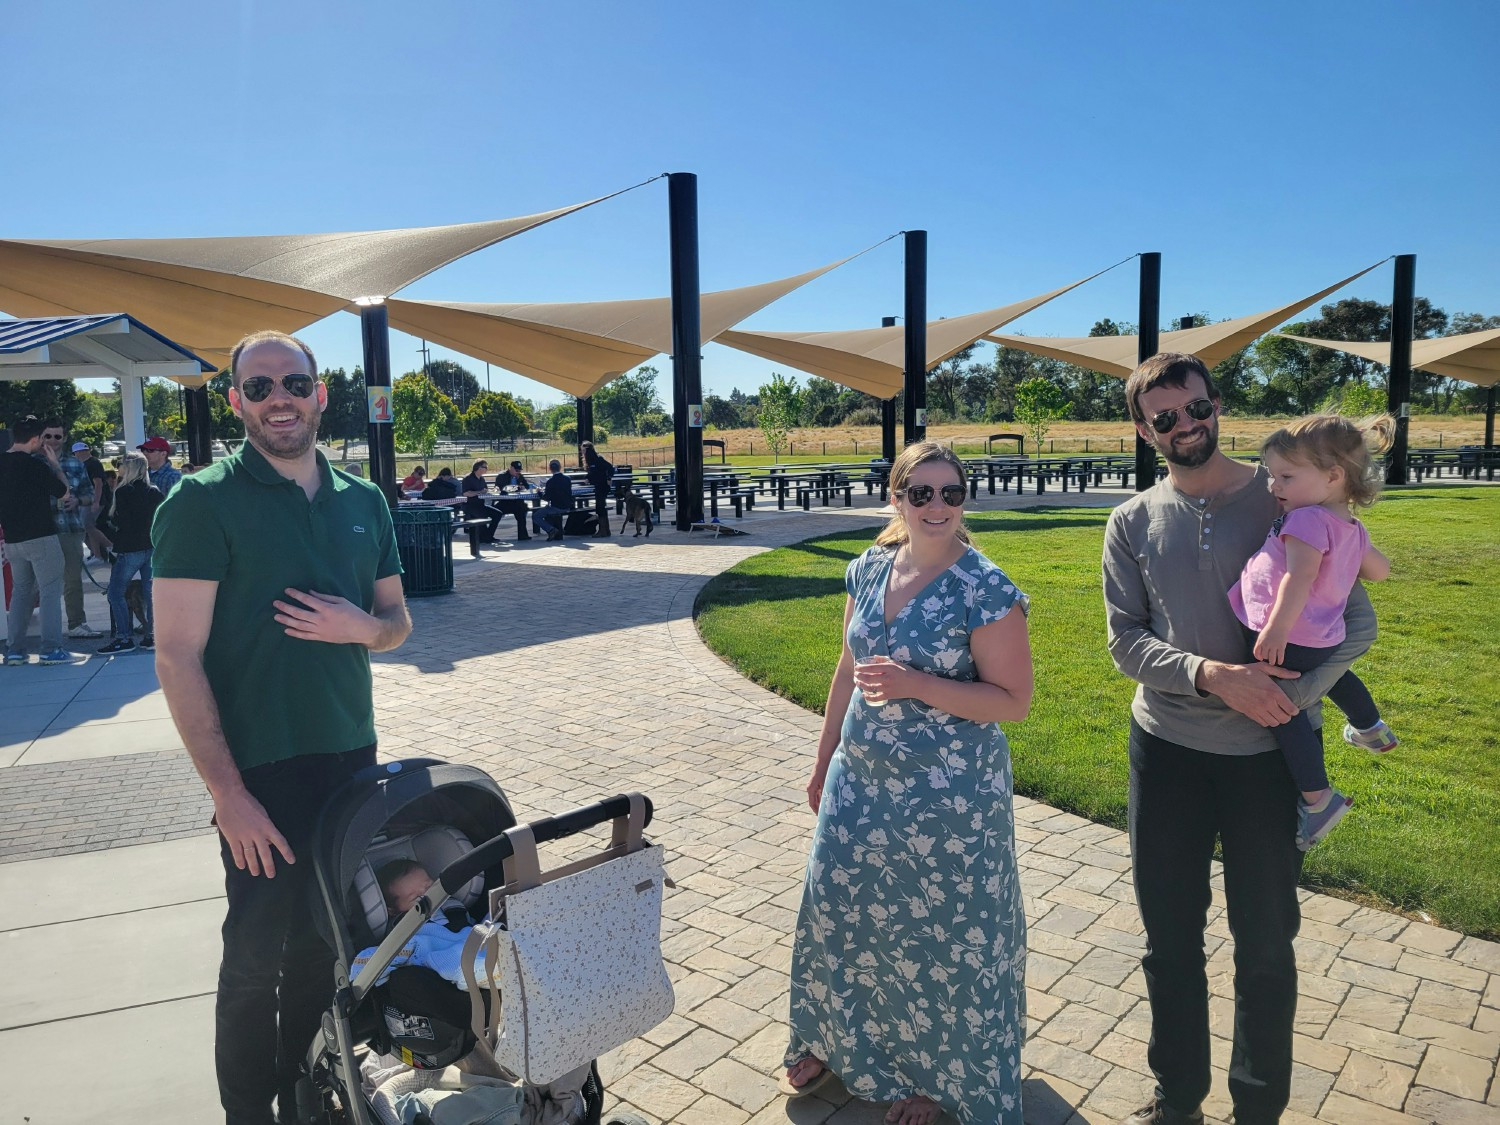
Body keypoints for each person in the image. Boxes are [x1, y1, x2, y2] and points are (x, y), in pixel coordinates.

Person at [1102, 354, 1376, 1125]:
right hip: (1166, 753)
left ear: (1216, 403)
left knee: (1264, 943)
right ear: (1144, 427)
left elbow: (1360, 624)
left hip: (1266, 764)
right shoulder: (1130, 520)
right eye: (1165, 417)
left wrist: (1288, 697)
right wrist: (1213, 675)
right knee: (1170, 941)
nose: (1187, 425)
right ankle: (1178, 1098)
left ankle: (1258, 1109)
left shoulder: (1290, 494)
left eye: (1198, 407)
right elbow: (1125, 642)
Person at [152, 329, 412, 1125]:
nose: (278, 401)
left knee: (323, 948)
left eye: (292, 383)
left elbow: (396, 621)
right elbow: (175, 655)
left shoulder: (363, 501)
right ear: (235, 401)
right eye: (258, 388)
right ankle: (248, 1115)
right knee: (254, 958)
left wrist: (358, 628)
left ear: (320, 393)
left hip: (349, 762)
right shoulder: (201, 502)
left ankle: (305, 1096)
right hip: (258, 772)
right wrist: (227, 794)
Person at [785, 441, 1034, 1125]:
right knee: (840, 908)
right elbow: (847, 665)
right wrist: (823, 753)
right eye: (919, 492)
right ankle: (836, 1039)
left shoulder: (985, 587)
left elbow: (1014, 700)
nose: (936, 506)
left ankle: (940, 1079)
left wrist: (915, 683)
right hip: (861, 780)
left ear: (964, 500)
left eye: (950, 493)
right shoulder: (867, 568)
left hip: (950, 798)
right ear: (894, 497)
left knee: (943, 937)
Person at [1230, 414, 1398, 850]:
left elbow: (1298, 579)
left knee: (1283, 711)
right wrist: (1357, 549)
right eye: (1271, 475)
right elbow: (1380, 572)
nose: (1274, 486)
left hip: (1291, 634)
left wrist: (1273, 631)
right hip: (1323, 636)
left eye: (1286, 476)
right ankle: (1369, 727)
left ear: (1333, 476)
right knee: (1336, 675)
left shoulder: (1306, 519)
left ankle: (1318, 797)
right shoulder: (1349, 527)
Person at [1, 415, 73, 665]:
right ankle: (51, 648)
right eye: (43, 438)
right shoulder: (36, 465)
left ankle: (15, 650)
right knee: (50, 591)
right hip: (41, 536)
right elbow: (64, 493)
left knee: (20, 593)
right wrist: (55, 465)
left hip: (12, 539)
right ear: (34, 439)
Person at [39, 421, 102, 639]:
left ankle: (76, 624)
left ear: (65, 438)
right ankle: (41, 631)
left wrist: (78, 501)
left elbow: (90, 495)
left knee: (73, 580)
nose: (53, 441)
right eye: (48, 436)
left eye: (57, 437)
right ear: (41, 437)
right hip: (42, 531)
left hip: (71, 528)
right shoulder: (33, 463)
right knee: (39, 583)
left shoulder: (76, 464)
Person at [96, 451, 163, 654]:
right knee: (151, 594)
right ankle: (152, 636)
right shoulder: (155, 492)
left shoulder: (123, 492)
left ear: (128, 468)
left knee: (115, 593)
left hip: (129, 549)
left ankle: (124, 637)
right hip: (152, 547)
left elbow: (117, 522)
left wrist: (114, 540)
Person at [73, 440, 108, 561]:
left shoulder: (93, 463)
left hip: (93, 500)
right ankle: (96, 554)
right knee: (87, 527)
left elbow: (98, 483)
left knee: (87, 526)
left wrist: (96, 501)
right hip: (85, 501)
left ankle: (110, 547)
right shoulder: (84, 464)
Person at [460, 459, 503, 544]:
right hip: (470, 506)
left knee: (498, 514)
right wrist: (479, 492)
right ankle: (485, 537)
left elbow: (485, 490)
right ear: (479, 468)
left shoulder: (482, 479)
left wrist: (493, 490)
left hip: (480, 504)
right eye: (485, 467)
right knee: (482, 515)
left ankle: (488, 536)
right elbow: (466, 493)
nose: (486, 469)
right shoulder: (468, 478)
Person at [492, 460, 532, 541]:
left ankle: (523, 535)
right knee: (495, 514)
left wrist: (522, 485)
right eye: (516, 470)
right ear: (511, 468)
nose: (518, 472)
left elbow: (527, 486)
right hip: (505, 502)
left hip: (517, 502)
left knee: (522, 510)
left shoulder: (519, 476)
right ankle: (489, 535)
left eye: (519, 470)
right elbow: (498, 488)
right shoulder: (502, 476)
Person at [534, 459, 573, 541]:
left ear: (550, 468)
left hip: (556, 507)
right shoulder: (567, 479)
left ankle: (551, 530)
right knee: (547, 510)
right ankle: (553, 529)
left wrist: (539, 492)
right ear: (560, 467)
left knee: (536, 516)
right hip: (567, 506)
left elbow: (546, 498)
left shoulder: (550, 481)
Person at [581, 441, 614, 538]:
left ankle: (603, 530)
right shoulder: (590, 461)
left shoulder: (598, 459)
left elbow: (610, 468)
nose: (582, 452)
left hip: (602, 486)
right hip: (597, 486)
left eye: (583, 450)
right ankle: (605, 530)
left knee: (600, 508)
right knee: (600, 508)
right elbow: (592, 473)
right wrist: (587, 478)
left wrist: (609, 478)